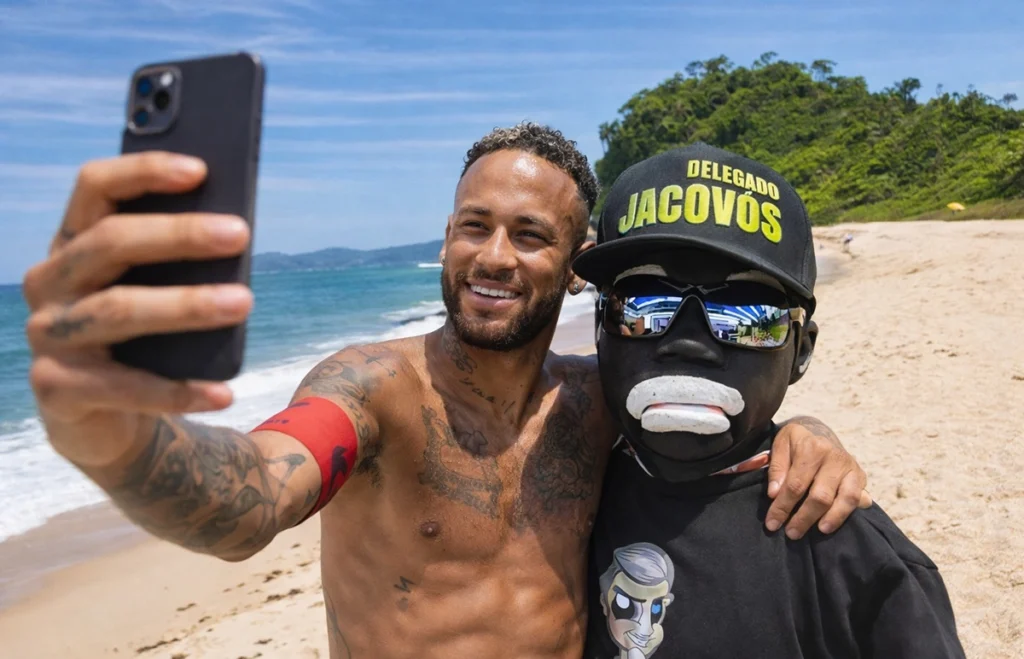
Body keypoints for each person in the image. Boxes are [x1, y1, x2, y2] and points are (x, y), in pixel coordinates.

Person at [22, 124, 870, 659]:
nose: (493, 256)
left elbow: (707, 422)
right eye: (474, 226)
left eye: (529, 234)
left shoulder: (595, 403)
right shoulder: (373, 389)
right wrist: (113, 434)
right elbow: (250, 496)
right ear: (446, 239)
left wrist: (807, 430)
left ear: (576, 269)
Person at [574, 143, 965, 658]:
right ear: (599, 326)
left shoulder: (849, 552)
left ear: (801, 352)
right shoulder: (565, 489)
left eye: (747, 317)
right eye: (643, 305)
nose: (687, 342)